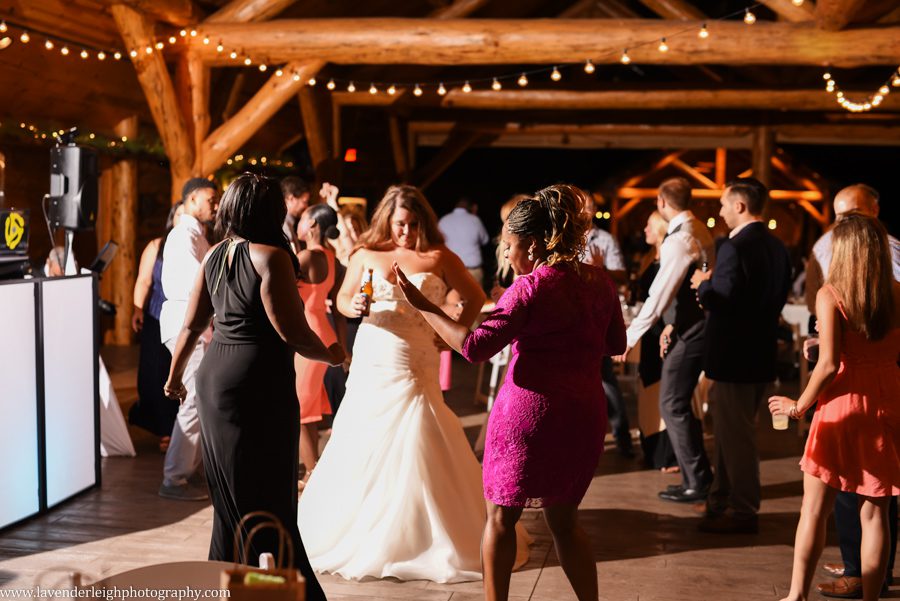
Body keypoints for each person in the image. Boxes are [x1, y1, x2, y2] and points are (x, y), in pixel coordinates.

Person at [396, 184, 625, 601]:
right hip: (583, 414)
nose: (505, 252)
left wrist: (424, 306)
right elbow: (616, 344)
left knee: (501, 520)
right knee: (566, 523)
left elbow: (474, 347)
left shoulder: (529, 287)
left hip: (529, 417)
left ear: (533, 245)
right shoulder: (600, 282)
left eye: (509, 244)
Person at [297, 184, 527, 583]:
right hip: (374, 351)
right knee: (363, 432)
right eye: (400, 224)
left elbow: (473, 296)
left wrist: (449, 333)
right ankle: (361, 525)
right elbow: (346, 298)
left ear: (424, 222)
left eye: (413, 224)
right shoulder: (366, 253)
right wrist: (355, 305)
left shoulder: (438, 256)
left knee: (420, 430)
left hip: (416, 355)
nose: (406, 232)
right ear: (387, 220)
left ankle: (422, 531)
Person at [164, 174, 344, 601]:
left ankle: (231, 587)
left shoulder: (214, 255)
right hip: (257, 383)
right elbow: (291, 331)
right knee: (270, 498)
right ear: (271, 211)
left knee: (231, 501)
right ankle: (285, 592)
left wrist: (173, 377)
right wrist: (332, 355)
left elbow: (191, 325)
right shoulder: (272, 257)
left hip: (215, 380)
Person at [768, 212, 900, 601]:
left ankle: (796, 596)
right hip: (888, 397)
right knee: (875, 513)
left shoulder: (831, 294)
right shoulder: (898, 291)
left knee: (814, 510)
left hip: (843, 403)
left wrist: (798, 406)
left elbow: (827, 365)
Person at [689, 178, 792, 534]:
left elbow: (723, 300)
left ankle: (744, 510)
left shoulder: (734, 247)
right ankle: (719, 499)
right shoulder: (778, 248)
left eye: (722, 204)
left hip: (734, 355)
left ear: (740, 206)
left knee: (737, 439)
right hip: (760, 351)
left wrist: (703, 284)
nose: (719, 211)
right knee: (729, 433)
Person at [615, 177, 715, 503]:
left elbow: (660, 294)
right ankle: (697, 477)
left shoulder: (679, 240)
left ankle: (697, 481)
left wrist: (630, 336)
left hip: (694, 329)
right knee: (677, 401)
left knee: (671, 402)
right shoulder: (699, 229)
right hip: (691, 324)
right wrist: (673, 324)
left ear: (661, 202)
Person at [158, 178, 219, 501]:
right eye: (211, 200)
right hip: (186, 324)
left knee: (199, 397)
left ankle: (190, 470)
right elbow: (196, 285)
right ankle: (174, 478)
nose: (215, 205)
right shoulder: (183, 235)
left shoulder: (195, 234)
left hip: (194, 325)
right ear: (193, 199)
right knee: (193, 398)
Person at [294, 203, 347, 488]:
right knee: (309, 407)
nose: (299, 223)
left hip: (306, 333)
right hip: (324, 331)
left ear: (313, 224)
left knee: (301, 409)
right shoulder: (332, 258)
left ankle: (311, 474)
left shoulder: (305, 257)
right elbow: (338, 310)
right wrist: (341, 345)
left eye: (303, 219)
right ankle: (311, 469)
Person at [129, 201, 184, 452]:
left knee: (181, 372)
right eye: (180, 215)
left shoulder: (196, 245)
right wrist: (138, 309)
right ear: (172, 218)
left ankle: (181, 429)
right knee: (155, 374)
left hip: (185, 320)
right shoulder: (156, 246)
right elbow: (143, 280)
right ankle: (165, 429)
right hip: (156, 317)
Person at [580, 197, 631, 457]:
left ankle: (622, 436)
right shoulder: (567, 239)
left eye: (588, 206)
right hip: (573, 314)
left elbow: (621, 275)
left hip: (597, 313)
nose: (584, 211)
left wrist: (599, 271)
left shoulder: (606, 240)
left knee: (606, 378)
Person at [635, 211, 678, 472]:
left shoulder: (671, 259)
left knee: (664, 389)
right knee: (648, 386)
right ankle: (650, 447)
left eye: (650, 225)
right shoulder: (649, 258)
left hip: (664, 330)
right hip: (649, 332)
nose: (645, 230)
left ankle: (668, 454)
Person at [439, 197, 490, 287]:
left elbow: (437, 244)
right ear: (471, 207)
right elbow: (485, 240)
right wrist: (474, 215)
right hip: (473, 272)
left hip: (451, 272)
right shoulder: (475, 220)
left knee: (452, 296)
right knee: (475, 296)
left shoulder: (443, 220)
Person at [281, 176, 311, 253]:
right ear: (291, 198)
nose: (306, 206)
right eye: (304, 202)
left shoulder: (287, 223)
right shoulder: (284, 225)